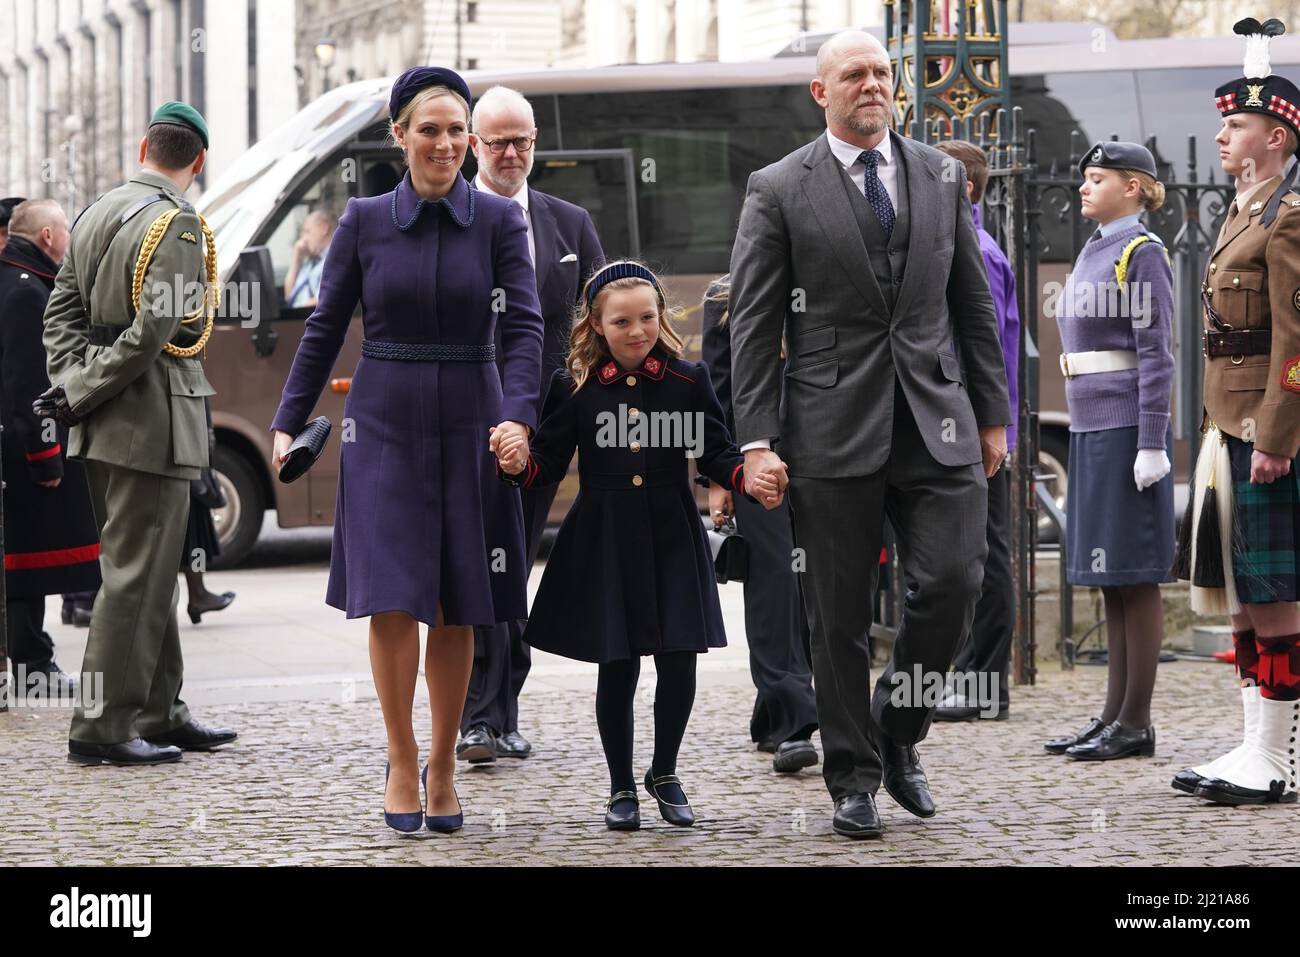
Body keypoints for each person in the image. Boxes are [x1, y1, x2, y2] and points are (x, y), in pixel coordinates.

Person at [727, 30, 1011, 840]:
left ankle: (899, 727)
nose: (873, 85)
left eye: (883, 73)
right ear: (821, 92)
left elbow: (973, 306)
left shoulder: (940, 173)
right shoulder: (778, 187)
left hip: (938, 417)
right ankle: (851, 776)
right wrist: (756, 440)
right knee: (837, 613)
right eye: (854, 74)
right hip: (827, 427)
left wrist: (992, 413)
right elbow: (752, 324)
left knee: (956, 581)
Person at [270, 67, 544, 834]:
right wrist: (289, 421)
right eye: (430, 130)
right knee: (392, 596)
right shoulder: (362, 219)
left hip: (474, 417)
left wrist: (519, 416)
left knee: (456, 602)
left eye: (458, 130)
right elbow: (325, 326)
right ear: (400, 136)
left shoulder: (498, 222)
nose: (447, 143)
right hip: (383, 418)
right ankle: (400, 756)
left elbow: (524, 328)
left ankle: (446, 762)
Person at [491, 261, 783, 830]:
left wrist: (749, 477)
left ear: (661, 317)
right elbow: (545, 465)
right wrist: (517, 464)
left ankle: (665, 772)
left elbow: (718, 453)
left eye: (647, 317)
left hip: (673, 532)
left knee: (679, 661)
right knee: (617, 665)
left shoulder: (687, 381)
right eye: (622, 321)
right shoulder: (573, 390)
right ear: (597, 325)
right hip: (606, 540)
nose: (637, 330)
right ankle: (621, 785)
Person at [40, 101, 237, 765]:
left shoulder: (96, 211)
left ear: (143, 146)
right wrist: (86, 387)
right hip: (150, 421)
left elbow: (59, 313)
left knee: (145, 570)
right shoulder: (176, 224)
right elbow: (151, 335)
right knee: (134, 576)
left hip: (100, 426)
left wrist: (73, 387)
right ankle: (100, 726)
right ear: (198, 161)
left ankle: (161, 710)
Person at [1172, 17, 1300, 805]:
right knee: (1243, 591)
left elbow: (1295, 335)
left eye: (1237, 123)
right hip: (1231, 422)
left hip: (1266, 428)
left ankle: (1274, 756)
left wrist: (1278, 435)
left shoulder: (1289, 216)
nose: (1222, 135)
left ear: (1278, 137)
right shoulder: (1243, 209)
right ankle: (1252, 746)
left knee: (1273, 590)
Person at [457, 85, 604, 764]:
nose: (513, 154)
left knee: (511, 560)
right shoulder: (450, 216)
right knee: (477, 562)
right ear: (472, 146)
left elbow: (598, 318)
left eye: (524, 141)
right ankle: (478, 713)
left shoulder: (569, 223)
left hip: (544, 430)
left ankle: (498, 708)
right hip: (465, 420)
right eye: (499, 143)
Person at [1041, 141, 1176, 761]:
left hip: (1126, 428)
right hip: (1091, 423)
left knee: (1135, 574)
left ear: (1134, 186)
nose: (1084, 188)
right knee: (1108, 576)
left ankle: (1137, 720)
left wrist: (1152, 439)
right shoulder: (1096, 249)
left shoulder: (1140, 253)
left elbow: (1157, 353)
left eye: (1098, 179)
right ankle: (1112, 715)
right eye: (1085, 178)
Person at [700, 275, 820, 772]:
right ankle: (795, 719)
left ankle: (775, 709)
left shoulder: (831, 274)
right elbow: (717, 389)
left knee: (814, 584)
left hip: (829, 454)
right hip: (754, 458)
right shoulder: (725, 294)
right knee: (773, 582)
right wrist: (717, 475)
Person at [932, 140, 1020, 723]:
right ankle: (967, 673)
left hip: (972, 420)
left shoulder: (979, 252)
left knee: (986, 553)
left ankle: (988, 683)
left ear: (964, 187)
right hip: (956, 418)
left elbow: (983, 349)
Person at [0, 199, 100, 696]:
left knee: (26, 558)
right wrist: (45, 457)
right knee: (27, 560)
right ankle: (32, 663)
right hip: (24, 452)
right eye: (65, 231)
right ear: (46, 235)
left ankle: (31, 658)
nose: (68, 241)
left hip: (18, 446)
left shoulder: (25, 280)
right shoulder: (24, 292)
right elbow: (28, 386)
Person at [180, 396, 235, 624]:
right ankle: (198, 595)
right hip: (186, 457)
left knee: (195, 538)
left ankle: (199, 593)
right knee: (194, 539)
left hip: (188, 455)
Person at [282, 211, 336, 309]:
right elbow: (289, 296)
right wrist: (296, 259)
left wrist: (296, 313)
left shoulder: (335, 260)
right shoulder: (311, 262)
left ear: (324, 229)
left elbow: (322, 301)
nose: (303, 238)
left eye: (307, 231)